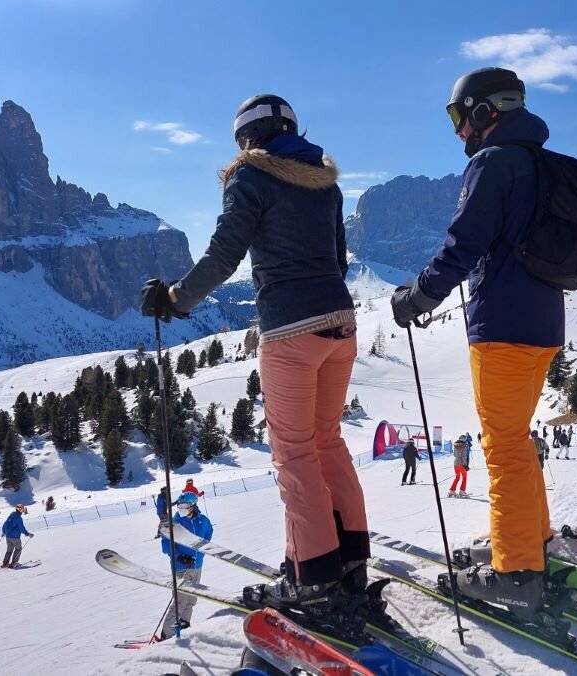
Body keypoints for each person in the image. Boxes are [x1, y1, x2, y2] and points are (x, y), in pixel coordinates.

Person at [141, 94, 367, 611]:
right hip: (342, 323)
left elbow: (225, 255)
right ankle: (350, 561)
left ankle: (312, 578)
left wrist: (175, 299)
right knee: (328, 442)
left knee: (295, 454)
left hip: (291, 332)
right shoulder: (326, 184)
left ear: (247, 139)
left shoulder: (249, 175)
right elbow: (338, 260)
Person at [389, 67, 561, 618]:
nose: (458, 130)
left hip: (504, 325)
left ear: (486, 111)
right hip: (544, 326)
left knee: (503, 446)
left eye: (458, 116)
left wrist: (418, 297)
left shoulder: (493, 163)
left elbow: (463, 243)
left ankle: (516, 574)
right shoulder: (541, 162)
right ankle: (532, 540)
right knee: (517, 438)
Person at [159, 491, 213, 635]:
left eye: (184, 506)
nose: (181, 509)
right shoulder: (174, 523)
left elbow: (208, 535)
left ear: (193, 506)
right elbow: (165, 545)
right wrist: (180, 557)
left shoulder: (203, 521)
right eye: (179, 506)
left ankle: (184, 624)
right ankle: (167, 633)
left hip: (197, 566)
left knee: (191, 598)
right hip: (180, 567)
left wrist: (201, 552)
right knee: (180, 600)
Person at [0, 504, 33, 569]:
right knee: (18, 549)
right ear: (20, 510)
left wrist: (4, 532)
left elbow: (5, 524)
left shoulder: (11, 515)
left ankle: (5, 563)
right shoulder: (18, 518)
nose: (23, 510)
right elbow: (21, 528)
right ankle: (14, 563)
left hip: (8, 537)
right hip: (15, 537)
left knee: (9, 550)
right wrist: (27, 534)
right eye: (22, 509)